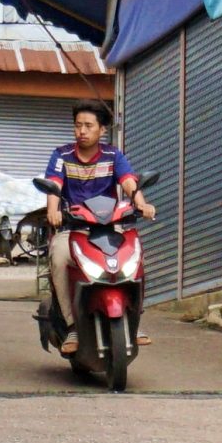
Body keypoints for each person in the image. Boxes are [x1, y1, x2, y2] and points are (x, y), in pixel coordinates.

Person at [36, 102, 154, 346]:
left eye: (88, 126)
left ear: (102, 130)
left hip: (109, 227)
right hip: (72, 228)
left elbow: (128, 181)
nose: (82, 131)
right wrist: (53, 211)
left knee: (136, 257)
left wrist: (141, 204)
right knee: (58, 258)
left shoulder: (113, 155)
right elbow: (54, 185)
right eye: (78, 125)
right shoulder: (61, 155)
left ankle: (134, 320)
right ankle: (71, 326)